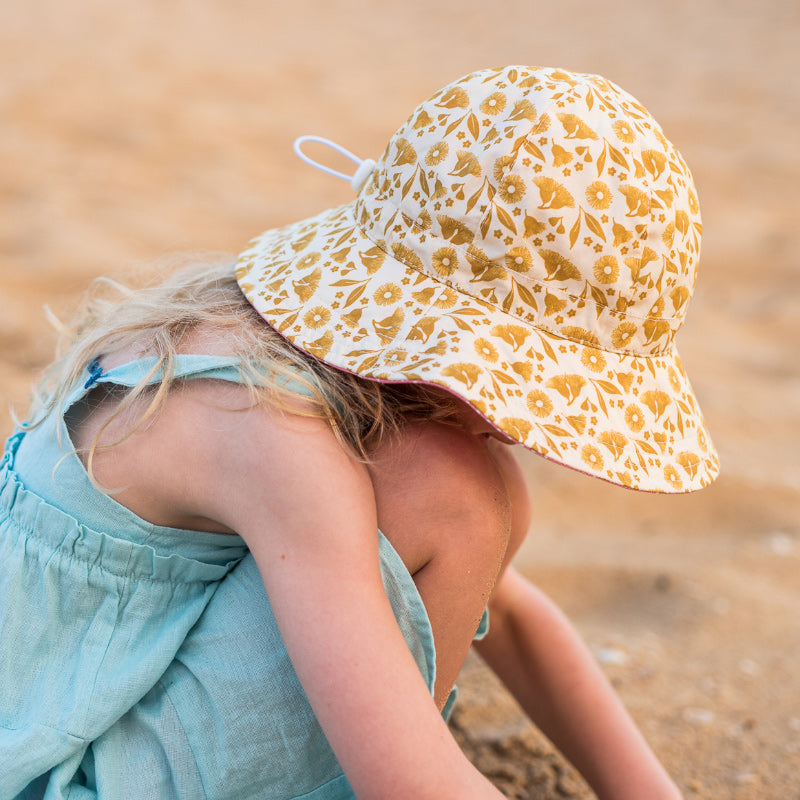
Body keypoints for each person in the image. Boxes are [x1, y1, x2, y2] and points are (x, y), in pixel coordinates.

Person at [0, 65, 719, 800]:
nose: (525, 432)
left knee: (480, 496)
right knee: (459, 497)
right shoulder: (271, 434)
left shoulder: (248, 337)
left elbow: (506, 610)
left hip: (70, 702)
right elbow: (414, 784)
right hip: (58, 775)